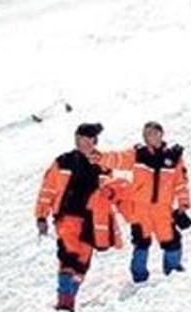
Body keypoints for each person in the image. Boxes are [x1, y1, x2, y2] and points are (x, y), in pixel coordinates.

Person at [35, 123, 125, 311]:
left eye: (84, 139)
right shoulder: (64, 161)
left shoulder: (104, 164)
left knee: (82, 264)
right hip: (67, 217)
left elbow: (112, 191)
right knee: (69, 257)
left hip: (93, 221)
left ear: (94, 141)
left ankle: (68, 298)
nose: (81, 143)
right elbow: (47, 190)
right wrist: (41, 216)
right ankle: (64, 303)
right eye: (78, 139)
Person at [91, 121, 191, 283]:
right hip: (140, 209)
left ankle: (173, 271)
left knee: (172, 241)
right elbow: (118, 159)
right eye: (145, 134)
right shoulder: (138, 154)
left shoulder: (174, 158)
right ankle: (139, 277)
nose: (148, 137)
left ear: (161, 133)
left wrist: (183, 204)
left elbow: (180, 183)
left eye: (152, 133)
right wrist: (101, 157)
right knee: (141, 242)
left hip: (163, 209)